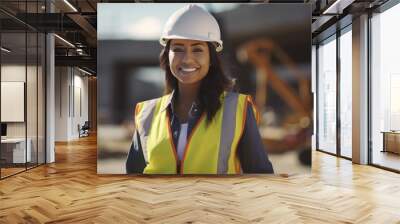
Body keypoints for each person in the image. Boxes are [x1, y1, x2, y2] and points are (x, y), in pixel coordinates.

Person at [126, 4, 274, 174]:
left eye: (197, 49)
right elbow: (132, 178)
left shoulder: (238, 109)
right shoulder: (146, 113)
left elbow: (261, 176)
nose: (187, 59)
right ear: (168, 55)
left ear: (211, 58)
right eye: (178, 49)